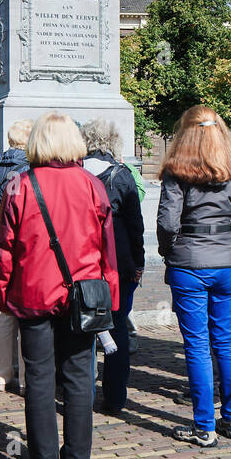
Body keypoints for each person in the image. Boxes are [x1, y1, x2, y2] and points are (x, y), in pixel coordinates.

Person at [0, 111, 119, 459]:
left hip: (34, 294)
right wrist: (110, 292)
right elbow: (106, 248)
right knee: (80, 378)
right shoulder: (92, 185)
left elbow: (5, 249)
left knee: (39, 377)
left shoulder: (20, 185)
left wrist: (3, 295)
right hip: (82, 295)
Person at [157, 106, 231, 447]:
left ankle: (203, 425)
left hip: (188, 264)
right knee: (226, 343)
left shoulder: (177, 171)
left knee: (198, 346)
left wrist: (169, 250)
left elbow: (167, 224)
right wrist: (227, 243)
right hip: (224, 266)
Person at [81, 118, 145, 415]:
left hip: (83, 263)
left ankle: (80, 392)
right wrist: (139, 261)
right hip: (118, 263)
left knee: (81, 328)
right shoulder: (122, 176)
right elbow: (135, 226)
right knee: (118, 327)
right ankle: (115, 396)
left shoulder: (76, 173)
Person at [0, 120, 33, 392]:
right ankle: (27, 378)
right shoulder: (30, 171)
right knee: (26, 314)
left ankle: (1, 375)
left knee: (2, 312)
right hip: (23, 251)